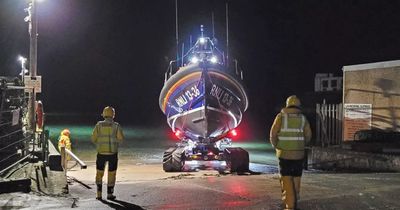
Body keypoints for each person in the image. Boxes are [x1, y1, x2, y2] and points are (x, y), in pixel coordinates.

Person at [269, 95, 312, 210]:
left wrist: (276, 145)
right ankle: (296, 198)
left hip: (284, 154)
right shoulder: (303, 118)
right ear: (298, 105)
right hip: (299, 154)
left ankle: (290, 205)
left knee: (286, 179)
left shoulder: (280, 117)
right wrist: (301, 145)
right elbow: (308, 136)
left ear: (287, 104)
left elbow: (273, 134)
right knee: (297, 177)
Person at [91, 106, 124, 200]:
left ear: (104, 114)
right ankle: (110, 194)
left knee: (99, 173)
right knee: (112, 173)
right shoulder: (116, 126)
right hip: (113, 154)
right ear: (113, 115)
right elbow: (121, 138)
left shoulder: (98, 125)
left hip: (101, 153)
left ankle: (99, 194)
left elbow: (93, 138)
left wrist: (100, 143)